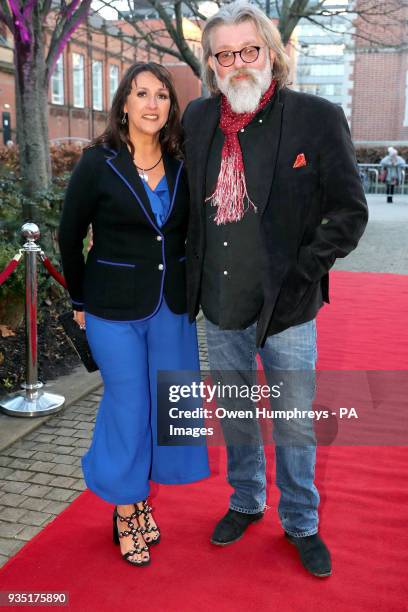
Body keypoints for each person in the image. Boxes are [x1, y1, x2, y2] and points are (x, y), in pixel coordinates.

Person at [182, 1, 368, 578]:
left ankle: (302, 521)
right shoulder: (196, 118)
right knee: (236, 415)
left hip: (287, 307)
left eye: (249, 51)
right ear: (210, 63)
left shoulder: (315, 116)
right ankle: (245, 500)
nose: (237, 64)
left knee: (293, 421)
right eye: (224, 54)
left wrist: (303, 271)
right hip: (220, 301)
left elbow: (349, 211)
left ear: (272, 53)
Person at [59, 62, 210, 567]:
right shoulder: (97, 163)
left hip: (171, 306)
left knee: (169, 406)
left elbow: (192, 233)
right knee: (128, 405)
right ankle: (127, 508)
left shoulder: (183, 161)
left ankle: (143, 496)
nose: (152, 103)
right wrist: (79, 303)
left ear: (171, 107)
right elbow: (68, 235)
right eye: (141, 94)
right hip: (111, 309)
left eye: (161, 95)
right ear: (124, 103)